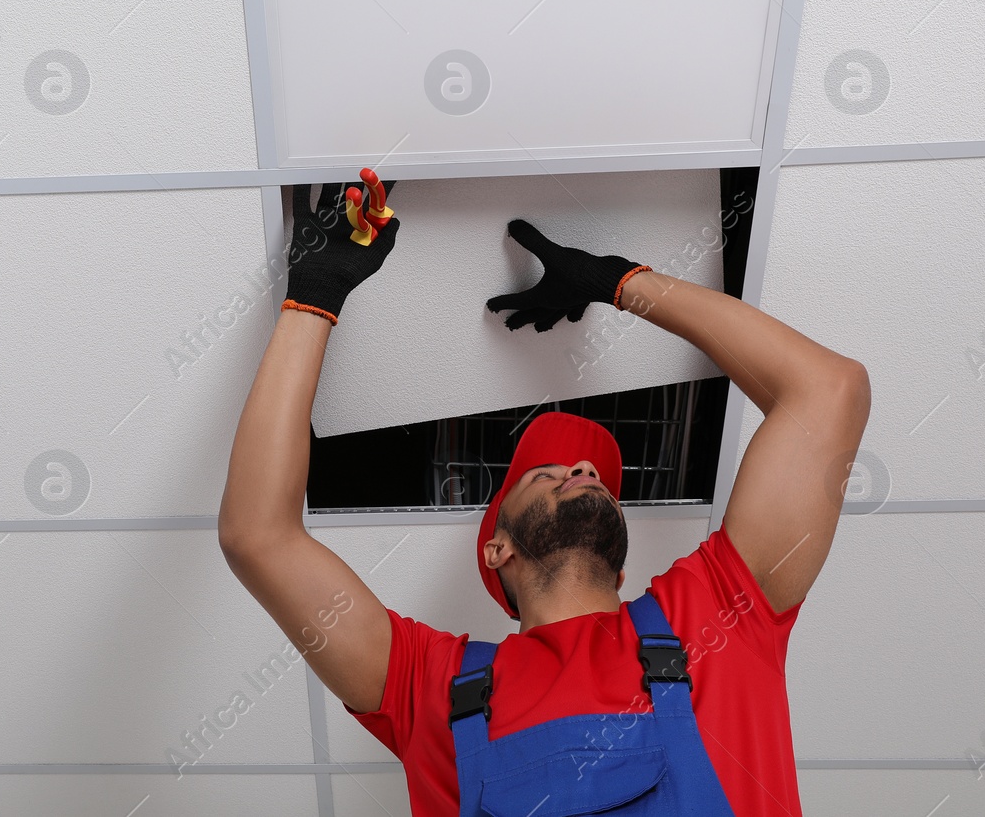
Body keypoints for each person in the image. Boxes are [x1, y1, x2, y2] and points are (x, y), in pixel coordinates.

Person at [219, 180, 870, 816]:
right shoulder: (433, 687)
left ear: (620, 567)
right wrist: (314, 296)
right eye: (544, 472)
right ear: (496, 548)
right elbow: (257, 536)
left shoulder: (714, 615)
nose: (583, 466)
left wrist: (617, 280)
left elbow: (830, 389)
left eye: (591, 474)